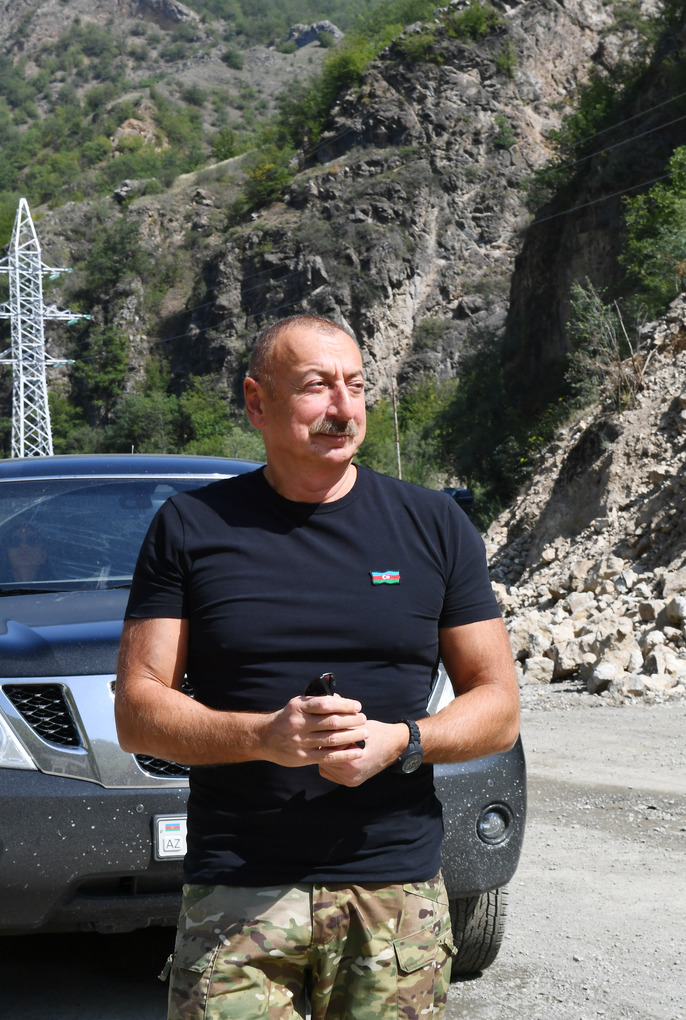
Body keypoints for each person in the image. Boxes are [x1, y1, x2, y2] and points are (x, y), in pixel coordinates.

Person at [114, 313, 520, 1020]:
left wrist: (403, 742)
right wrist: (263, 737)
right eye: (316, 386)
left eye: (355, 386)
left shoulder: (434, 525)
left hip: (393, 893)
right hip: (239, 888)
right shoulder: (189, 526)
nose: (343, 407)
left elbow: (499, 705)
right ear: (256, 402)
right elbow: (137, 711)